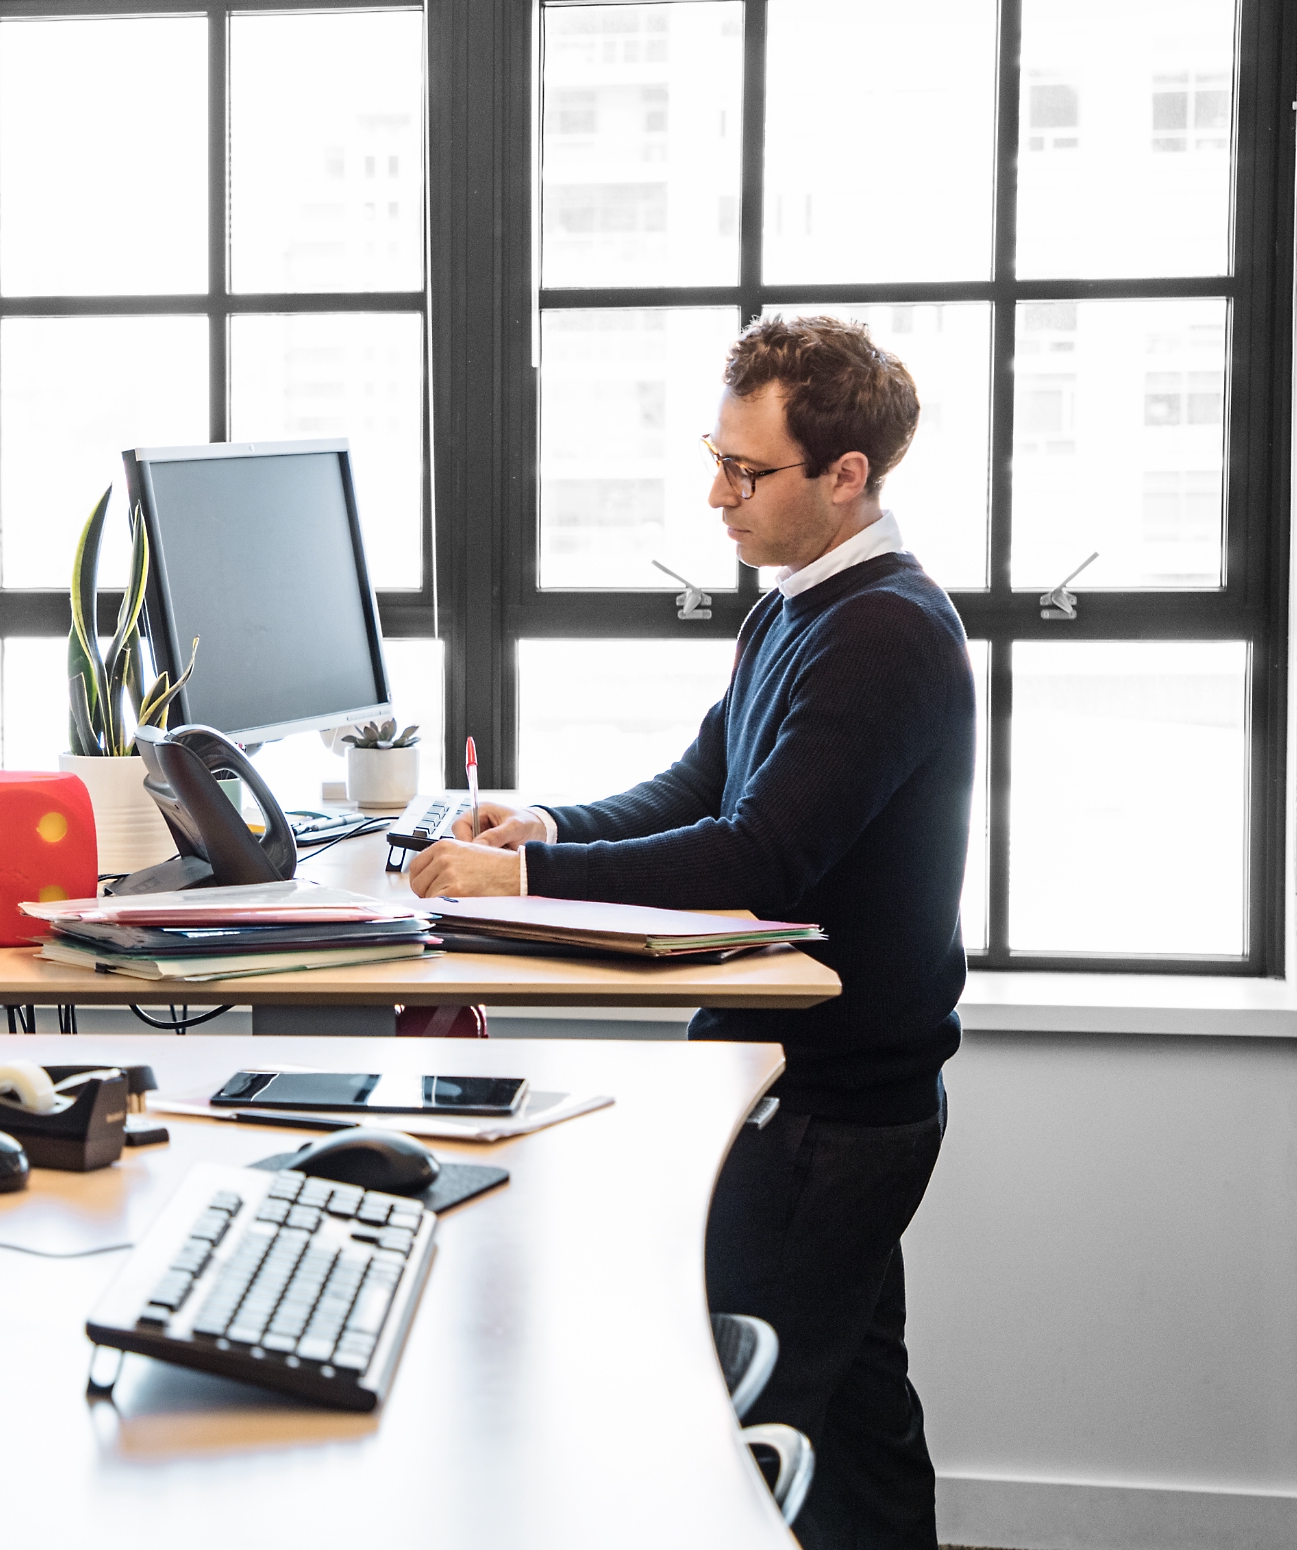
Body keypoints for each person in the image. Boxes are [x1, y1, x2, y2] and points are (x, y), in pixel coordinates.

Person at [404, 315, 972, 1547]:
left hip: (830, 1101)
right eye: (714, 456)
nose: (715, 493)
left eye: (745, 470)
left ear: (845, 477)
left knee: (731, 1420)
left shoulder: (883, 633)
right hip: (812, 1083)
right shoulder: (797, 602)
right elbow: (700, 785)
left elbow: (758, 860)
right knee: (856, 1414)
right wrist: (542, 824)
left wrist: (525, 883)